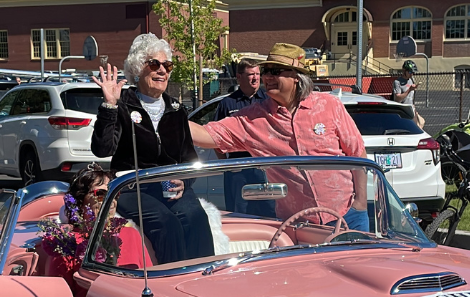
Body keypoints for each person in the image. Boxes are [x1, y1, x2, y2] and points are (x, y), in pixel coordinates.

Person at [188, 42, 370, 231]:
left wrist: (361, 202)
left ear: (297, 77)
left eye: (275, 71)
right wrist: (162, 111)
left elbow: (357, 153)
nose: (267, 77)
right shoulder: (253, 117)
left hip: (349, 215)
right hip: (298, 225)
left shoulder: (329, 105)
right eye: (265, 70)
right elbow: (205, 135)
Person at [91, 33, 214, 265]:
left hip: (170, 186)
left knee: (197, 218)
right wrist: (109, 105)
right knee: (165, 223)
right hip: (132, 188)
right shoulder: (124, 104)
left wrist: (184, 181)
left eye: (167, 65)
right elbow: (102, 149)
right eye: (154, 64)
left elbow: (190, 159)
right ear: (138, 68)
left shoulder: (176, 110)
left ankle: (204, 279)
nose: (162, 71)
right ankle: (168, 284)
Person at [212, 58, 272, 217]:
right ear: (239, 77)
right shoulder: (227, 104)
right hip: (238, 170)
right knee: (240, 215)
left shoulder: (270, 101)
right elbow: (215, 138)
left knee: (270, 215)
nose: (255, 78)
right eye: (251, 74)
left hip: (267, 168)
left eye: (258, 74)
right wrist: (227, 165)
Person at [393, 60, 426, 129]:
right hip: (402, 111)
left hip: (411, 109)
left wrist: (414, 108)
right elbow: (397, 98)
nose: (412, 74)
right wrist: (409, 90)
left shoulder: (411, 80)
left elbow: (411, 97)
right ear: (404, 71)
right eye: (410, 72)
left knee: (420, 124)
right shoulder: (397, 82)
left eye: (413, 72)